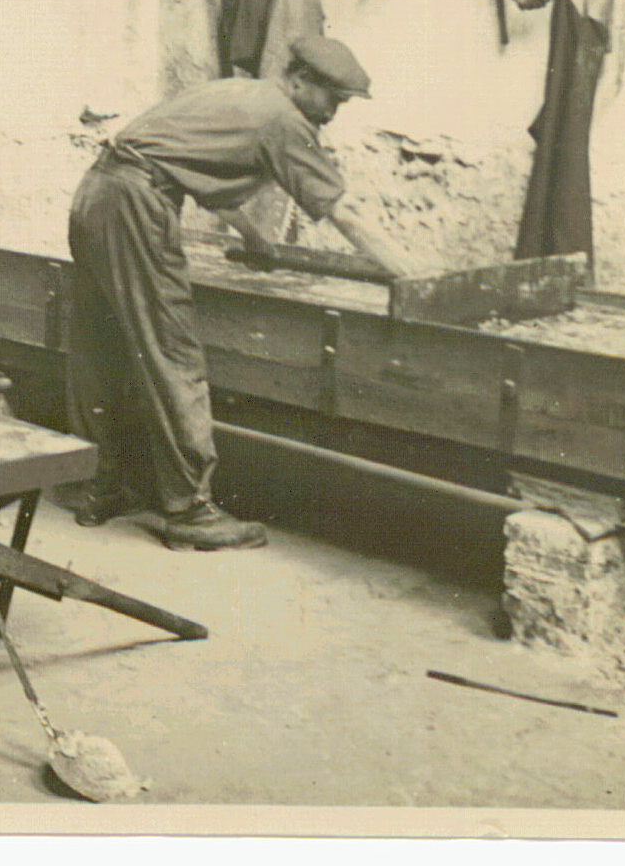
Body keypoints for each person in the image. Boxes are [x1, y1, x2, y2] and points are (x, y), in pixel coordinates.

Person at [67, 35, 412, 551]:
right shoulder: (285, 120)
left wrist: (254, 237)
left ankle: (102, 485)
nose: (333, 114)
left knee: (104, 347)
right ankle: (190, 512)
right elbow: (345, 213)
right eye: (332, 100)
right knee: (172, 353)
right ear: (300, 81)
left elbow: (189, 169)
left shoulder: (239, 93)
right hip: (135, 206)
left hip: (97, 193)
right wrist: (411, 276)